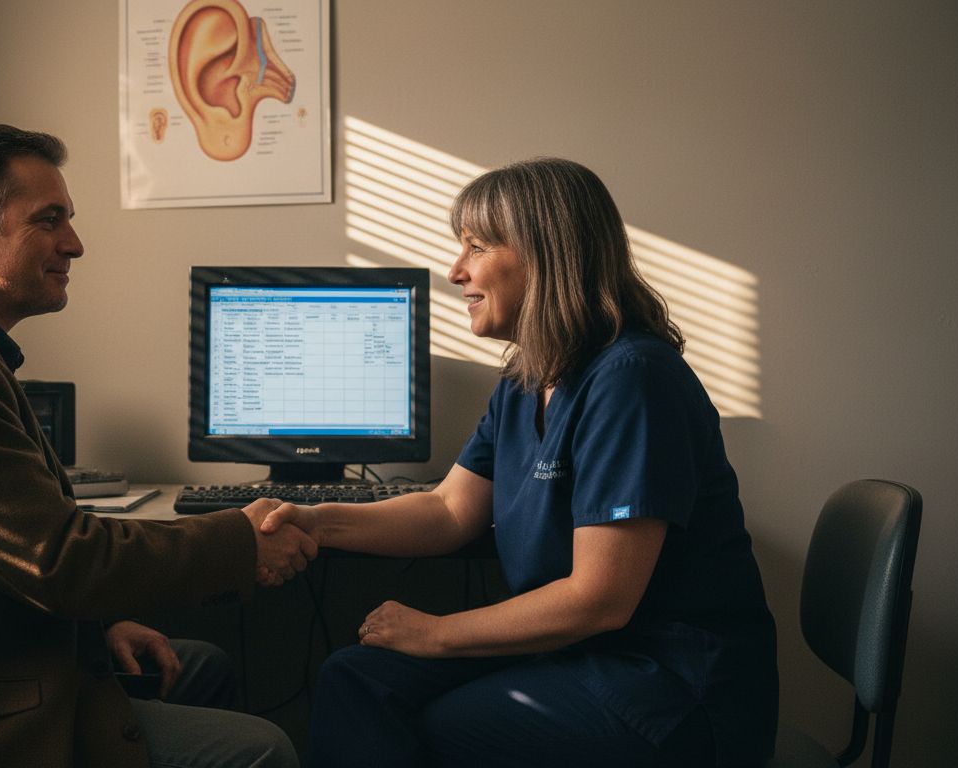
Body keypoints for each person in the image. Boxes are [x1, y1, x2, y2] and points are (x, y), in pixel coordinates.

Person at [0, 123, 313, 767]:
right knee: (264, 749)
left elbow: (2, 554)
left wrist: (98, 628)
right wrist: (241, 538)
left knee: (199, 662)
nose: (75, 244)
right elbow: (62, 563)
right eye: (49, 221)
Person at [260, 159, 778, 766]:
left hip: (669, 685)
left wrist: (437, 633)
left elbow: (599, 598)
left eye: (476, 248)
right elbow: (448, 510)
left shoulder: (632, 380)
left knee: (439, 726)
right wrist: (316, 521)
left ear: (547, 256)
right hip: (581, 655)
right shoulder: (526, 380)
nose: (456, 272)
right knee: (357, 677)